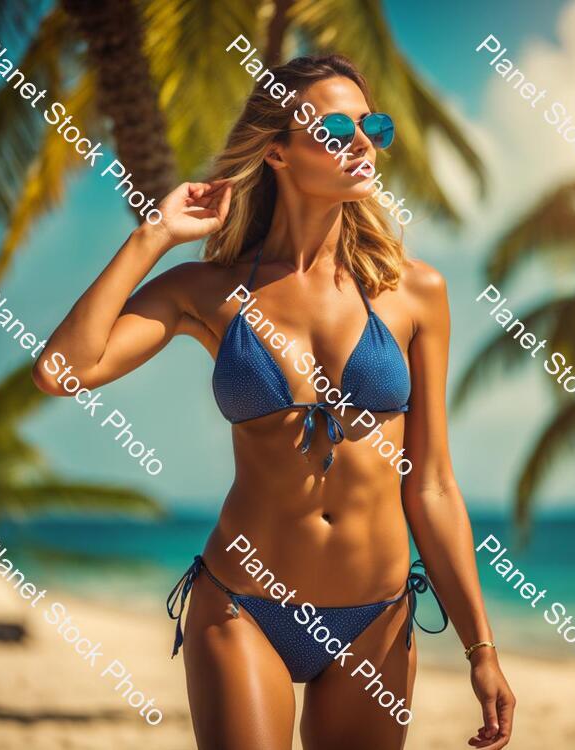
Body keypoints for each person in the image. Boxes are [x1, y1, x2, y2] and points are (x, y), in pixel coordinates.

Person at [33, 53, 515, 750]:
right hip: (243, 604)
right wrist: (154, 237)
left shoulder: (415, 292)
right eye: (334, 127)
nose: (360, 142)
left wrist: (482, 649)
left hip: (374, 620)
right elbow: (60, 371)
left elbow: (433, 482)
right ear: (279, 152)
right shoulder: (206, 292)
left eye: (371, 126)